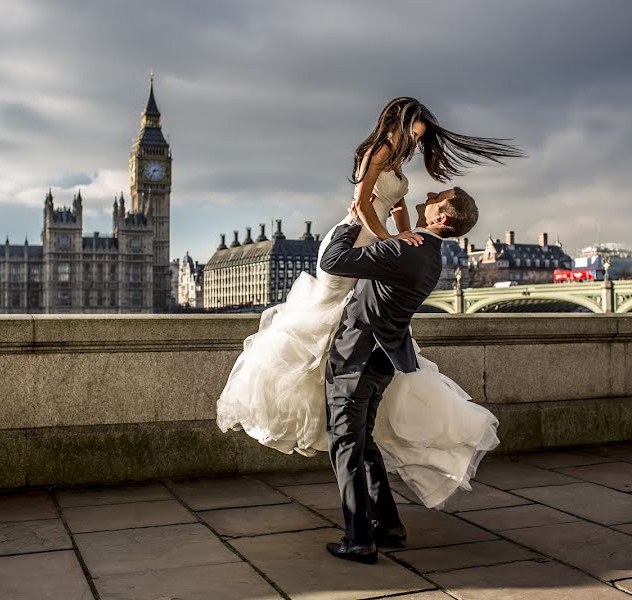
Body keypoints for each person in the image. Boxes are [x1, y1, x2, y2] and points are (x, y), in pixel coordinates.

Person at [216, 97, 521, 509]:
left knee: (351, 433)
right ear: (402, 122)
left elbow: (391, 214)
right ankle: (380, 521)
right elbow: (361, 206)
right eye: (416, 134)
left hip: (366, 253)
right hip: (357, 234)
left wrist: (398, 234)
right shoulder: (383, 161)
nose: (417, 144)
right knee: (347, 394)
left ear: (442, 219)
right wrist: (392, 237)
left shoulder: (402, 199)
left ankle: (363, 531)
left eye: (421, 138)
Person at [320, 190, 479, 563]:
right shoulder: (427, 253)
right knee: (363, 442)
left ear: (441, 218)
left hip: (355, 359)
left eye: (439, 197)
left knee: (345, 445)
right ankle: (388, 525)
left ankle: (358, 538)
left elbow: (333, 260)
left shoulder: (407, 251)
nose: (430, 193)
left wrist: (355, 220)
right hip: (381, 360)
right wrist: (399, 223)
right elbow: (396, 258)